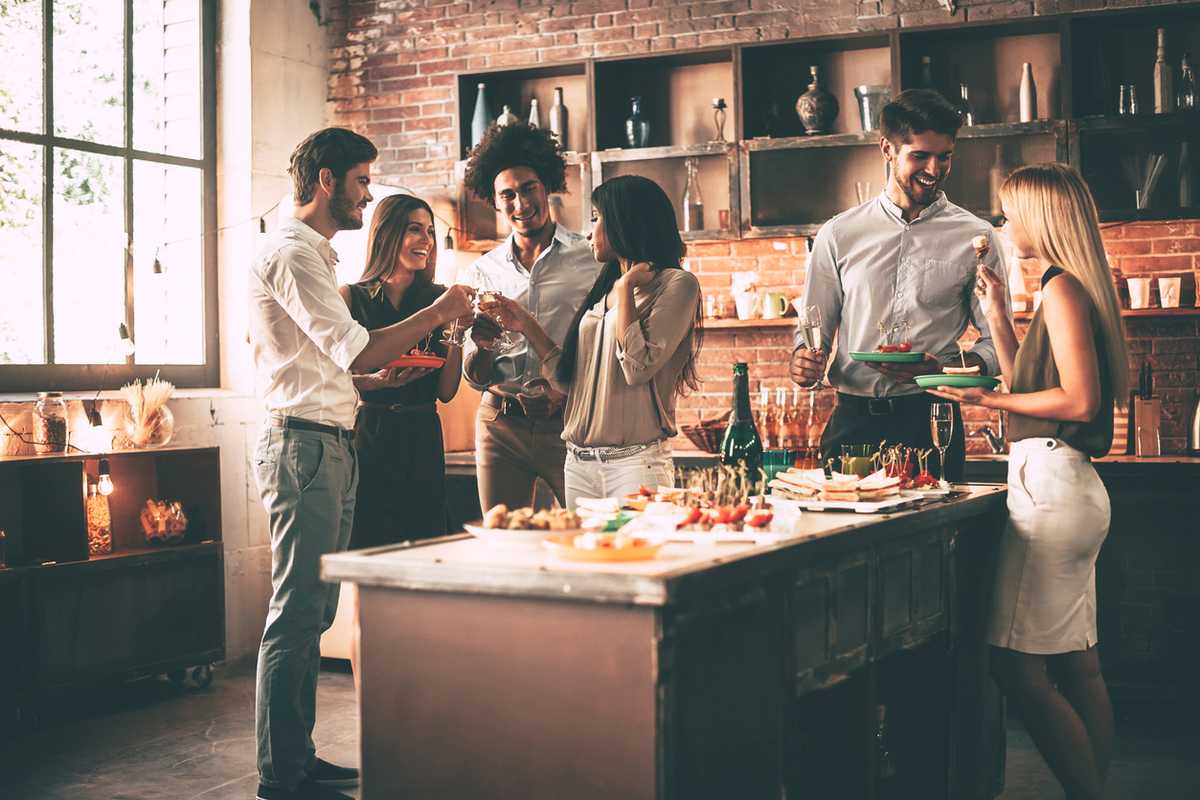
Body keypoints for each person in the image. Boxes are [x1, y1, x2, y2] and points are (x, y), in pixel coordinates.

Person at [249, 128, 473, 800]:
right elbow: (355, 351)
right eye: (361, 181)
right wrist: (439, 311)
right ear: (326, 180)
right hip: (304, 445)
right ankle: (280, 774)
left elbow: (338, 366)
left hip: (332, 438)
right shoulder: (293, 253)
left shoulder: (310, 253)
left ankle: (297, 756)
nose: (366, 193)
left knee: (315, 612)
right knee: (296, 612)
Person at [927, 163, 1128, 800]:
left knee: (1016, 671)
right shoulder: (1062, 288)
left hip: (1052, 489)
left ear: (1042, 218)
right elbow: (1030, 388)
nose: (1004, 223)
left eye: (1012, 212)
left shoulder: (1063, 290)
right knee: (1077, 665)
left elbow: (1078, 401)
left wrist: (986, 403)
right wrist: (997, 317)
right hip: (1071, 488)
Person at [789, 89, 1012, 481]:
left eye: (945, 156)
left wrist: (945, 369)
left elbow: (997, 343)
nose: (935, 169)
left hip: (930, 420)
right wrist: (803, 362)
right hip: (853, 422)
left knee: (938, 539)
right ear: (887, 149)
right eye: (920, 156)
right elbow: (811, 334)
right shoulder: (838, 234)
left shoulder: (976, 237)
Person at [484, 175, 702, 509]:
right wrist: (526, 325)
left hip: (634, 465)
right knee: (585, 560)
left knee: (633, 560)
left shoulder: (676, 285)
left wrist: (627, 287)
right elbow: (571, 380)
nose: (590, 232)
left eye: (598, 219)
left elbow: (637, 367)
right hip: (578, 464)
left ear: (625, 221)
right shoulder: (604, 290)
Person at [338, 193, 470, 696]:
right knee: (369, 577)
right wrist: (377, 382)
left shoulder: (439, 297)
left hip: (420, 434)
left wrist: (456, 332)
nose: (425, 240)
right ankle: (366, 694)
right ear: (387, 233)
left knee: (421, 567)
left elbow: (445, 389)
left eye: (429, 232)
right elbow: (345, 376)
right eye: (414, 229)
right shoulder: (352, 297)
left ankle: (419, 691)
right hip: (370, 436)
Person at [460, 122, 602, 511]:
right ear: (493, 200)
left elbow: (603, 349)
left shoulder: (590, 261)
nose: (520, 204)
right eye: (508, 194)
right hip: (499, 425)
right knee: (503, 541)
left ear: (547, 186)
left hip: (570, 424)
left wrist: (564, 392)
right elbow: (473, 377)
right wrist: (484, 346)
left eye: (528, 189)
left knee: (584, 534)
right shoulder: (481, 272)